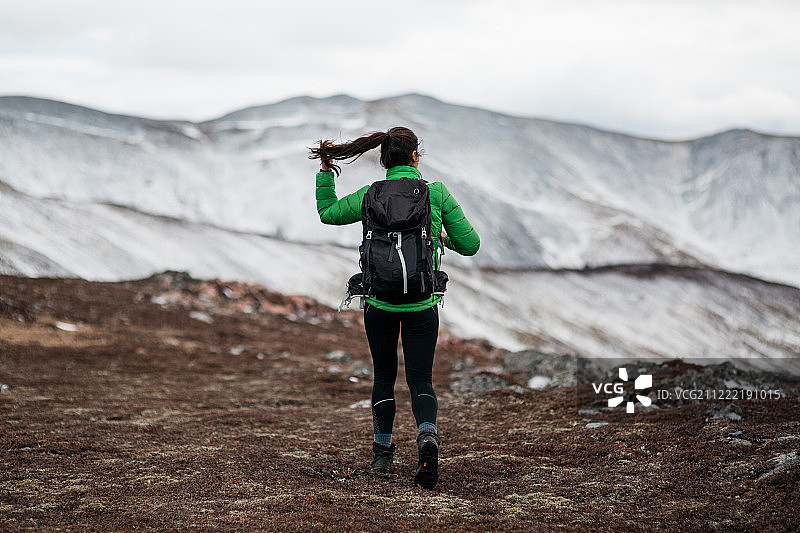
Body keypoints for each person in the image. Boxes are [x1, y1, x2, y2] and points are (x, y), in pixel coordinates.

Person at [309, 126, 480, 490]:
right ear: (415, 156)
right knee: (421, 379)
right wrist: (441, 236)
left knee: (384, 376)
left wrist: (326, 173)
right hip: (422, 303)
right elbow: (472, 245)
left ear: (384, 160)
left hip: (379, 303)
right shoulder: (435, 193)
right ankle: (427, 439)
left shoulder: (371, 195)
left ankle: (382, 456)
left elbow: (327, 213)